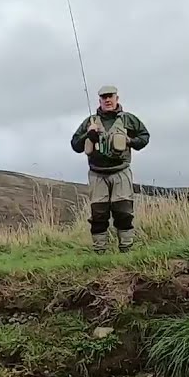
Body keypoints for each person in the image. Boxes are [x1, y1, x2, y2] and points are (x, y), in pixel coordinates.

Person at [69, 84, 150, 253]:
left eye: (110, 97)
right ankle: (100, 253)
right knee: (98, 215)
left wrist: (130, 141)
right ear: (99, 100)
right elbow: (75, 145)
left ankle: (126, 251)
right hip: (97, 174)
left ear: (116, 99)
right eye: (104, 97)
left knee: (123, 213)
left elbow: (144, 137)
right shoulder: (89, 122)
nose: (107, 100)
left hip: (121, 171)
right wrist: (88, 135)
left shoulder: (129, 120)